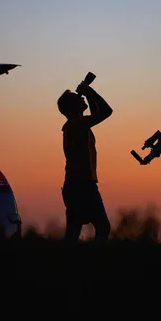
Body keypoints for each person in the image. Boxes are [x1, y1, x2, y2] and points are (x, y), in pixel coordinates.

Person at [57, 79, 113, 242]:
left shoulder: (77, 124)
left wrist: (88, 93)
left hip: (76, 185)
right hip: (82, 186)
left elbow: (96, 113)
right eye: (77, 98)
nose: (81, 98)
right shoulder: (77, 125)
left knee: (73, 233)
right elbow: (106, 111)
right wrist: (90, 92)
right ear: (72, 107)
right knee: (103, 228)